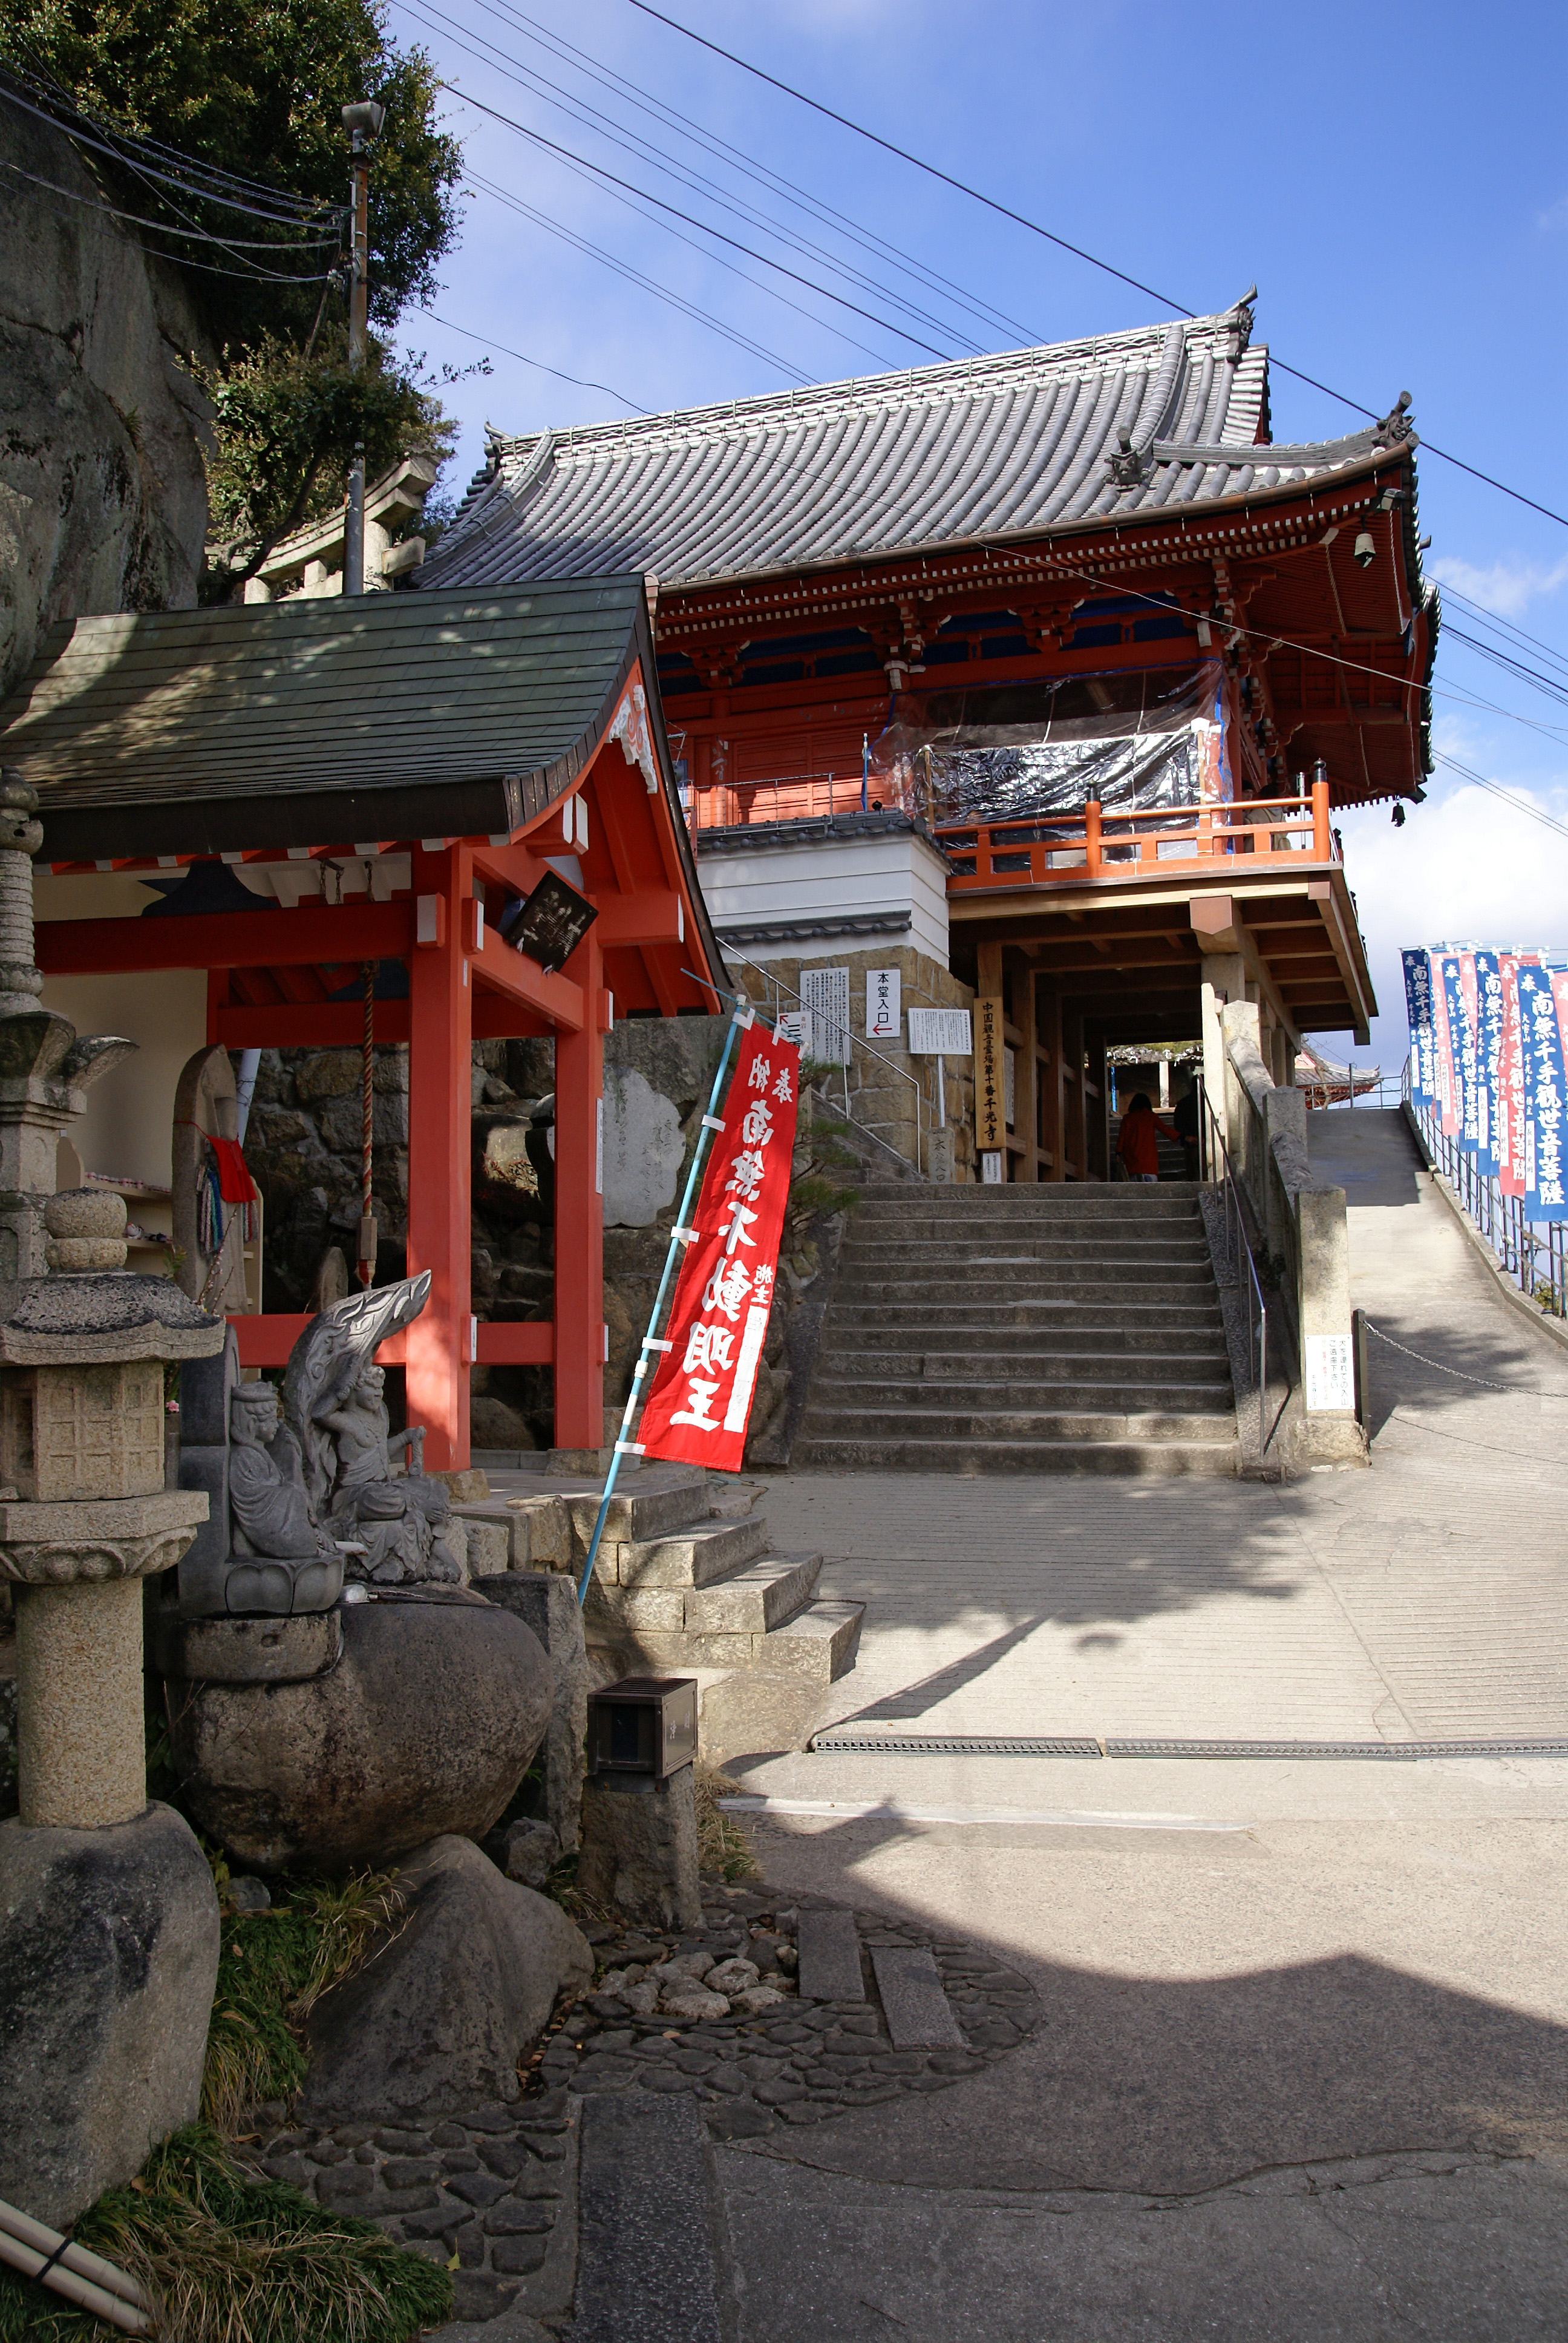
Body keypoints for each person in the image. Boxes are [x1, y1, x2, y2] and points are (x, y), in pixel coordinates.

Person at [1116, 1091, 1162, 1182]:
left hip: (1132, 1163)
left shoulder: (1127, 1118)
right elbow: (1166, 1130)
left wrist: (1118, 1152)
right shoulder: (1151, 1117)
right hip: (1149, 1164)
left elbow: (1122, 1138)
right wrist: (1182, 1137)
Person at [1172, 1082, 1201, 1178]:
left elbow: (1178, 1124)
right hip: (1192, 1142)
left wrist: (1185, 1137)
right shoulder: (1185, 1104)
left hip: (1190, 1141)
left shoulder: (1183, 1103)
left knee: (1193, 1171)